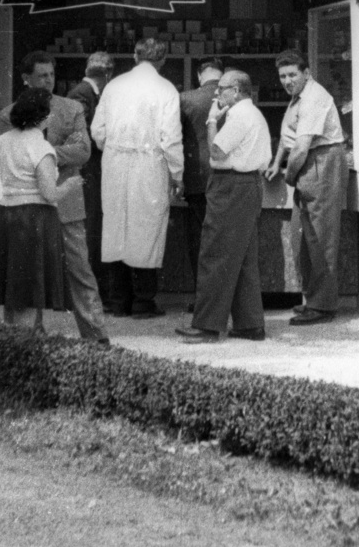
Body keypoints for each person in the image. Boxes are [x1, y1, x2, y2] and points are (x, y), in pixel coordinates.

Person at [1, 51, 109, 344]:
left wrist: (41, 154)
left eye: (51, 75)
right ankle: (25, 336)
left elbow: (83, 151)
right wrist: (57, 152)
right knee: (25, 273)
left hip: (66, 204)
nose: (48, 81)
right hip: (27, 205)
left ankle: (96, 336)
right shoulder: (10, 114)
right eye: (41, 76)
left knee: (80, 271)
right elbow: (11, 153)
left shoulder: (72, 108)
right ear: (26, 79)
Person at [175, 69, 272, 343]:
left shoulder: (239, 116)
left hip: (230, 186)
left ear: (237, 91)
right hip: (246, 186)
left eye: (222, 88)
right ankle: (249, 324)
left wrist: (211, 119)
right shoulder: (252, 114)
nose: (217, 93)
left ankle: (207, 326)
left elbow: (216, 151)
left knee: (215, 254)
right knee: (242, 259)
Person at [91, 37, 183, 318]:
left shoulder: (114, 86)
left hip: (116, 162)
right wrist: (177, 174)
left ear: (134, 56)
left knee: (116, 226)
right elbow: (170, 139)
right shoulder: (166, 89)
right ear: (163, 60)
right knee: (148, 227)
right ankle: (143, 301)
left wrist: (115, 147)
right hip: (150, 163)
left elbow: (97, 130)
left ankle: (118, 301)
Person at [0, 86, 69, 329]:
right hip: (36, 218)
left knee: (14, 287)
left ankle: (15, 338)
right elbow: (49, 192)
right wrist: (72, 185)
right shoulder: (41, 148)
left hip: (8, 214)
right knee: (29, 288)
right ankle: (26, 344)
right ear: (43, 118)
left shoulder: (3, 140)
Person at [265, 48, 347, 326]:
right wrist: (277, 163)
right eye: (282, 76)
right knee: (307, 235)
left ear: (306, 73)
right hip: (309, 163)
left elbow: (300, 147)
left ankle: (323, 306)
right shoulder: (297, 98)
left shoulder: (314, 96)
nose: (287, 80)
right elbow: (287, 137)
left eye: (292, 74)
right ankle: (313, 299)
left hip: (322, 161)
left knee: (321, 236)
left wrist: (289, 176)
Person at [67, 50, 116, 308]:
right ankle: (88, 295)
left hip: (92, 171)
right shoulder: (81, 94)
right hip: (87, 172)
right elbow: (81, 136)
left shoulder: (89, 93)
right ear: (107, 75)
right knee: (90, 230)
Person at [178, 57, 223, 292]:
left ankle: (203, 296)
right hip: (228, 177)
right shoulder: (235, 97)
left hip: (196, 177)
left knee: (199, 239)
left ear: (199, 75)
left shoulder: (185, 99)